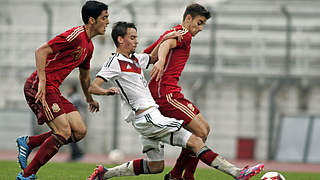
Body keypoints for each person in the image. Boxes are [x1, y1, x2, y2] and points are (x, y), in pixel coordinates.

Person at [87, 21, 264, 180]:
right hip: (148, 118)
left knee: (156, 167)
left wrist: (168, 36)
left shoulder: (134, 59)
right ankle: (238, 173)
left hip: (148, 119)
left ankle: (105, 174)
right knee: (195, 141)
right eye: (132, 38)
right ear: (120, 39)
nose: (136, 41)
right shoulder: (114, 62)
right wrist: (106, 92)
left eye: (136, 37)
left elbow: (153, 57)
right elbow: (93, 86)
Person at [15, 1, 114, 179]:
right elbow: (41, 51)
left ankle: (30, 142)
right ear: (92, 20)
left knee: (79, 131)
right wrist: (42, 81)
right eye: (104, 18)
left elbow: (85, 77)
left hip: (54, 90)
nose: (108, 22)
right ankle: (27, 175)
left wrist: (89, 98)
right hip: (39, 86)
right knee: (63, 132)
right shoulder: (75, 35)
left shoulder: (89, 47)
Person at [143, 3, 213, 179]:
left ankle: (177, 175)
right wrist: (161, 60)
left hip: (171, 92)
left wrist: (158, 54)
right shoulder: (183, 34)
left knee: (204, 129)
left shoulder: (171, 32)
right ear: (188, 18)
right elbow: (166, 45)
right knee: (201, 132)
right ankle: (185, 175)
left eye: (203, 24)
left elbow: (148, 54)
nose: (201, 28)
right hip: (165, 93)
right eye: (199, 22)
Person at [65, 84, 85, 161]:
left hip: (74, 120)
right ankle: (76, 154)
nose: (68, 91)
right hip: (72, 120)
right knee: (71, 138)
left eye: (69, 89)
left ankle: (76, 154)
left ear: (73, 89)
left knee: (71, 138)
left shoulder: (75, 98)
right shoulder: (73, 97)